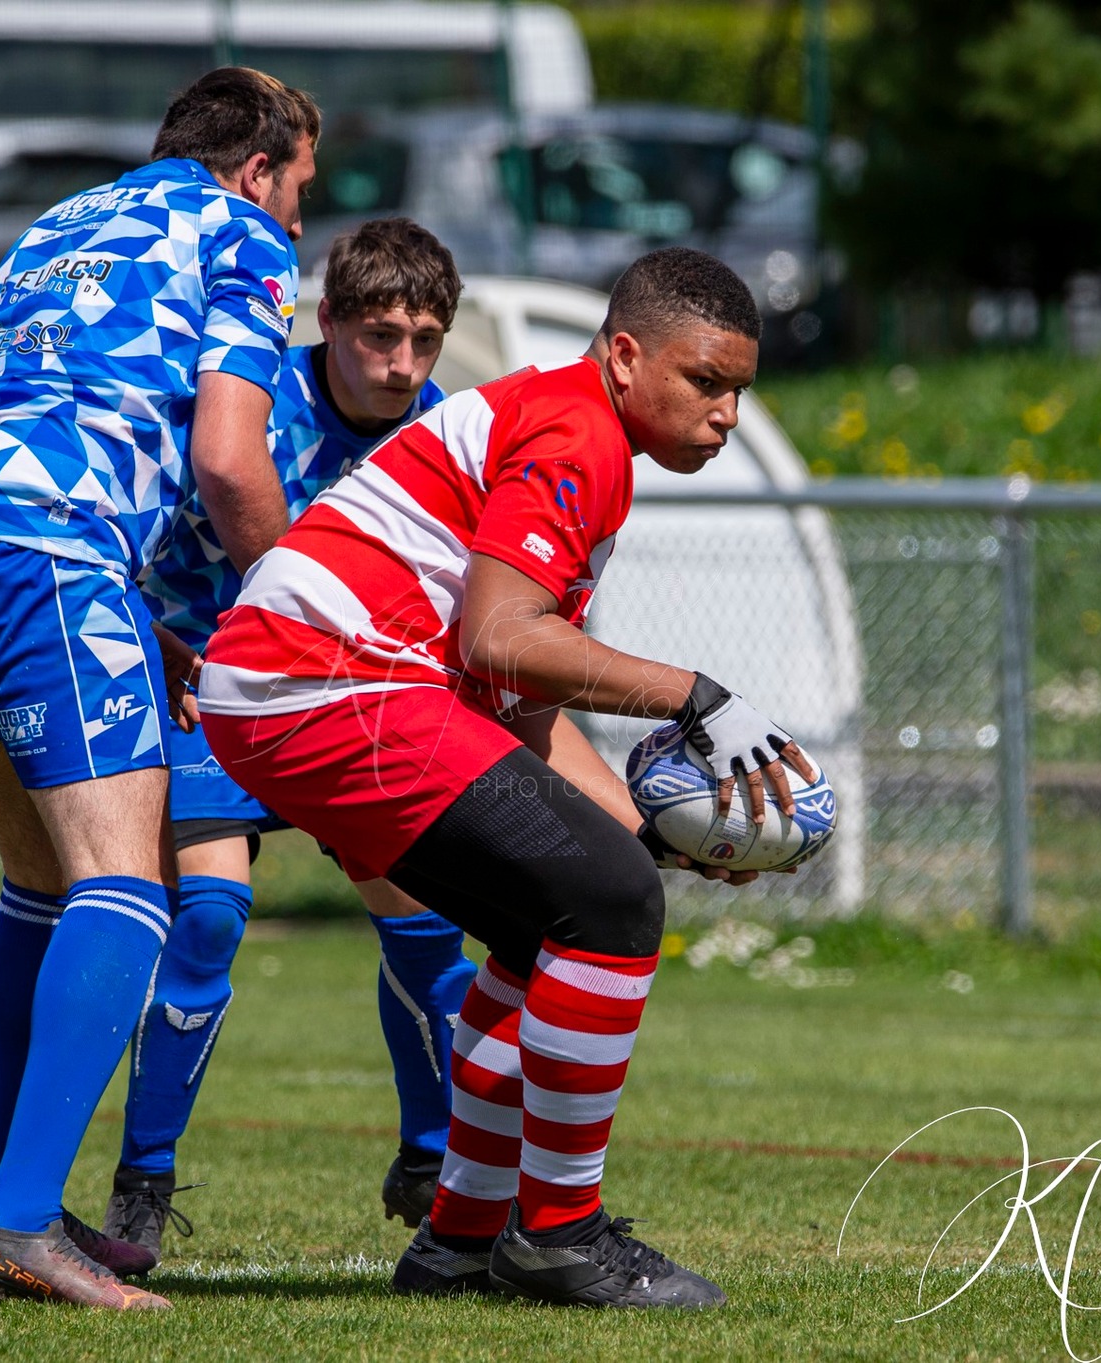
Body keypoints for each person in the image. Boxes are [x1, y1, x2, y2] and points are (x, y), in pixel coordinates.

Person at [198, 247, 817, 1310]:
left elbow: (520, 708)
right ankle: (560, 1235)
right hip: (330, 680)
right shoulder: (581, 433)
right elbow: (496, 639)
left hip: (311, 682)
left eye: (737, 391)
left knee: (561, 915)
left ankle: (459, 1240)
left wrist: (648, 831)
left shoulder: (571, 423)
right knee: (609, 905)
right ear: (624, 357)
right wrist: (694, 696)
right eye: (702, 381)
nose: (722, 412)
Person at [0, 67, 319, 1311]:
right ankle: (16, 1222)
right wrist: (303, 611)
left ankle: (24, 1195)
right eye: (300, 194)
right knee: (128, 883)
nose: (297, 223)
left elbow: (44, 393)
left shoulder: (57, 226)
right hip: (42, 547)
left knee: (37, 878)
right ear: (256, 169)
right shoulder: (237, 233)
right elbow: (229, 462)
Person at [104, 218, 479, 1265]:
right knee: (213, 915)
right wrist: (159, 641)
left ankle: (430, 1154)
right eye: (378, 336)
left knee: (426, 922)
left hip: (345, 702)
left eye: (423, 338)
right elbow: (127, 540)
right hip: (211, 689)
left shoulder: (437, 427)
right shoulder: (247, 403)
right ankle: (144, 1178)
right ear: (328, 323)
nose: (401, 362)